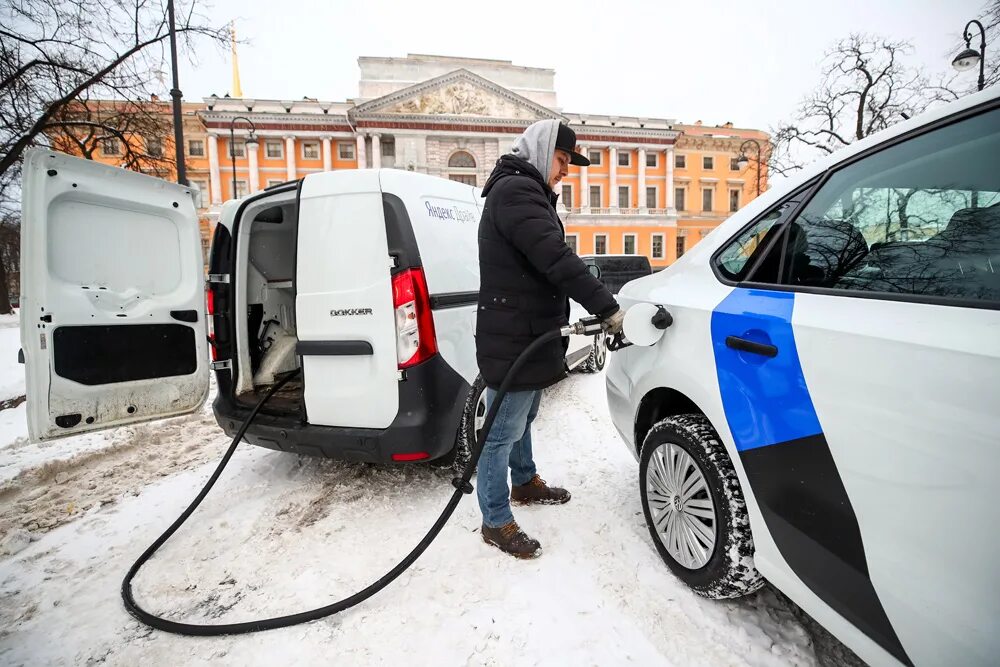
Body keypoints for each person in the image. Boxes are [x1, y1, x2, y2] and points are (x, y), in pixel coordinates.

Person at [475, 119, 625, 559]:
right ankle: (495, 519)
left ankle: (523, 482)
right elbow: (554, 257)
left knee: (524, 415)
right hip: (514, 335)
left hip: (528, 332)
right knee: (502, 430)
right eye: (561, 159)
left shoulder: (526, 190)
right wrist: (606, 305)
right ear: (542, 151)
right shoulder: (517, 192)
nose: (564, 170)